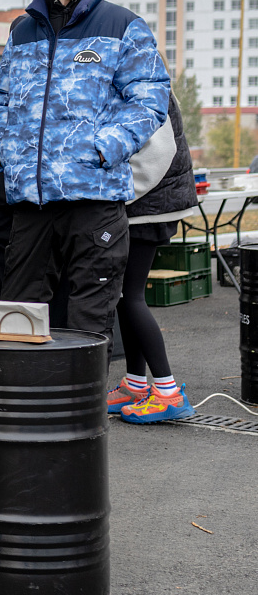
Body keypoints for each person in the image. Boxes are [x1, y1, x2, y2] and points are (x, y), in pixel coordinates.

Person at [0, 0, 169, 338]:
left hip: (94, 197)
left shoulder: (123, 25)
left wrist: (104, 148)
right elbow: (4, 97)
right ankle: (26, 385)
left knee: (89, 321)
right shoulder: (22, 31)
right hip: (32, 201)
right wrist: (3, 150)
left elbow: (150, 100)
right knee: (19, 318)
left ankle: (84, 386)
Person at [109, 95, 199, 422]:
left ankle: (167, 392)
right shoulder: (142, 80)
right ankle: (135, 385)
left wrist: (114, 193)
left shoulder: (146, 83)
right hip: (147, 206)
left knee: (130, 296)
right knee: (125, 297)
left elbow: (158, 154)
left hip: (146, 207)